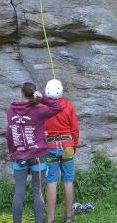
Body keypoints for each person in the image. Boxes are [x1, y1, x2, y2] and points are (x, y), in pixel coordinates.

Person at [6, 82, 63, 223]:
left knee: (19, 192)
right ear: (34, 94)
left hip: (19, 156)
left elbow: (9, 134)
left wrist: (13, 152)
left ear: (21, 93)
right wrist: (42, 98)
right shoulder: (38, 110)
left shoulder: (11, 110)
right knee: (37, 192)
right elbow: (58, 107)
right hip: (37, 156)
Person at [44, 79, 80, 223]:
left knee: (51, 181)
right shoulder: (69, 106)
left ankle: (51, 219)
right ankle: (69, 217)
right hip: (67, 146)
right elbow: (75, 129)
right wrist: (74, 145)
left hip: (51, 147)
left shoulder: (42, 107)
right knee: (68, 180)